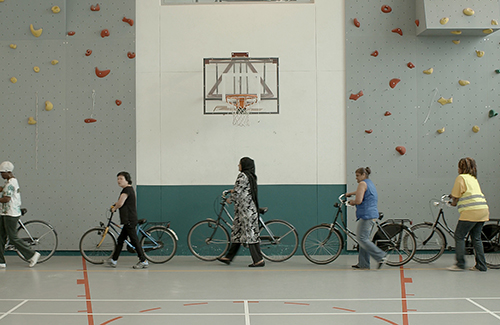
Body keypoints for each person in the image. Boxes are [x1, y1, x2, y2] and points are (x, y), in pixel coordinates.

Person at [217, 157, 265, 267]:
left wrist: (230, 199)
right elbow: (243, 189)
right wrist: (232, 191)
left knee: (250, 234)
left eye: (239, 164)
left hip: (245, 211)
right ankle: (229, 257)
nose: (238, 166)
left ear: (244, 165)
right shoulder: (250, 175)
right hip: (244, 210)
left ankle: (258, 260)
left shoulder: (242, 175)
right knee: (237, 233)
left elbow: (238, 190)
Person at [448, 157, 489, 272]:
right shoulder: (473, 178)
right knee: (476, 238)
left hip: (471, 211)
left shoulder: (461, 178)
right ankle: (481, 265)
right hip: (483, 210)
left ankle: (460, 264)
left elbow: (456, 196)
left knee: (459, 236)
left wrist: (453, 203)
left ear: (461, 168)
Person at [0, 161, 40, 268]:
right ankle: (1, 261)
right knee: (0, 237)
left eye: (1, 173)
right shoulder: (10, 181)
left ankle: (32, 254)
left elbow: (6, 199)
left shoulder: (11, 184)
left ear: (8, 172)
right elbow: (2, 189)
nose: (1, 175)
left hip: (10, 214)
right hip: (4, 213)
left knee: (12, 238)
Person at [345, 167, 386, 270]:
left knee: (361, 238)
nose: (356, 178)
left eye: (358, 176)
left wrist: (351, 202)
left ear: (363, 175)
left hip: (367, 215)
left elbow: (358, 200)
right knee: (363, 239)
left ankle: (381, 256)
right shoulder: (369, 183)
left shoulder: (362, 184)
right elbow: (361, 192)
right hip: (371, 214)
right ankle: (363, 264)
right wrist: (351, 193)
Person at [107, 171, 148, 269]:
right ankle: (114, 260)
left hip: (129, 220)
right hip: (128, 220)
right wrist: (115, 204)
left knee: (134, 241)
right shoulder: (128, 190)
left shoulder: (127, 190)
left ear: (127, 180)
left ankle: (143, 260)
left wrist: (114, 208)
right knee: (120, 240)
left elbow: (121, 203)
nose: (118, 181)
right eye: (118, 179)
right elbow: (121, 202)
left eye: (121, 179)